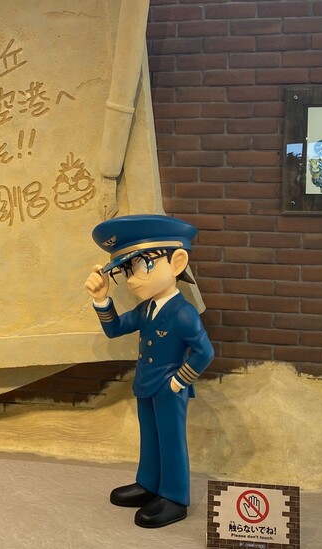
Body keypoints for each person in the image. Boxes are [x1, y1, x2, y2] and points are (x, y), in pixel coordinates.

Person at [84, 214, 214, 528]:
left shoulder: (183, 313)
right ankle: (149, 484)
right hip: (145, 385)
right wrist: (102, 300)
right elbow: (115, 329)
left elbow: (205, 352)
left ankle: (174, 497)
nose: (132, 279)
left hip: (168, 387)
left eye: (143, 265)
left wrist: (178, 382)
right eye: (128, 270)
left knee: (171, 440)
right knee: (151, 437)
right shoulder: (147, 308)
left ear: (177, 262)